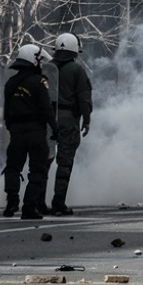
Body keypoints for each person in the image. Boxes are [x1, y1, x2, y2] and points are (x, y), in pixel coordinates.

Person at [3, 44, 58, 220]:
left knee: (13, 167)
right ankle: (29, 207)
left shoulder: (11, 83)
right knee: (37, 170)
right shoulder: (39, 82)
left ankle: (12, 200)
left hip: (17, 133)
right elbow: (47, 108)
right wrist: (55, 128)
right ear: (34, 61)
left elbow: (6, 111)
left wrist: (12, 128)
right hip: (36, 132)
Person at [50, 33, 92, 216]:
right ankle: (58, 203)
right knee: (65, 162)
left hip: (47, 119)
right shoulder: (77, 70)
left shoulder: (47, 67)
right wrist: (86, 119)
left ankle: (36, 202)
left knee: (42, 162)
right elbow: (84, 97)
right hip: (68, 120)